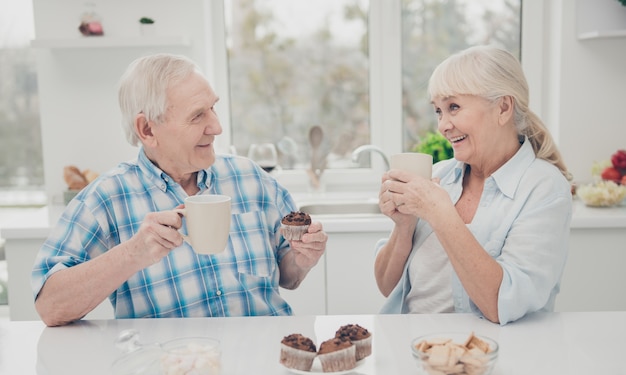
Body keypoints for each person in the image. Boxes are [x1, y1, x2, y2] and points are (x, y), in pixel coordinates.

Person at [32, 53, 327, 326]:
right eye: (198, 115)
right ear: (147, 130)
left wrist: (302, 260)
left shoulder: (251, 178)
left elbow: (289, 276)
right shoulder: (107, 198)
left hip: (266, 360)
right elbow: (50, 306)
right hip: (172, 374)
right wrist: (132, 254)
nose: (216, 127)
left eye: (213, 108)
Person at [375, 45, 572, 325]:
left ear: (503, 107)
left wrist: (439, 212)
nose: (443, 125)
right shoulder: (440, 176)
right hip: (415, 350)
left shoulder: (544, 188)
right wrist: (403, 227)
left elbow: (500, 304)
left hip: (492, 355)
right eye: (438, 111)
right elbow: (386, 287)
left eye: (453, 107)